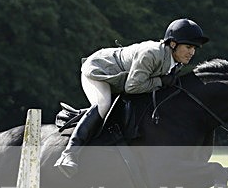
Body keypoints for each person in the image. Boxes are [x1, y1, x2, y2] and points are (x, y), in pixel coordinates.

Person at [54, 18, 209, 177]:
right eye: (188, 47)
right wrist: (160, 81)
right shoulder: (152, 53)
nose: (192, 52)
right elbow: (133, 87)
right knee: (103, 104)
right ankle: (69, 154)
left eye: (195, 48)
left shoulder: (175, 62)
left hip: (122, 80)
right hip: (100, 71)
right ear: (173, 44)